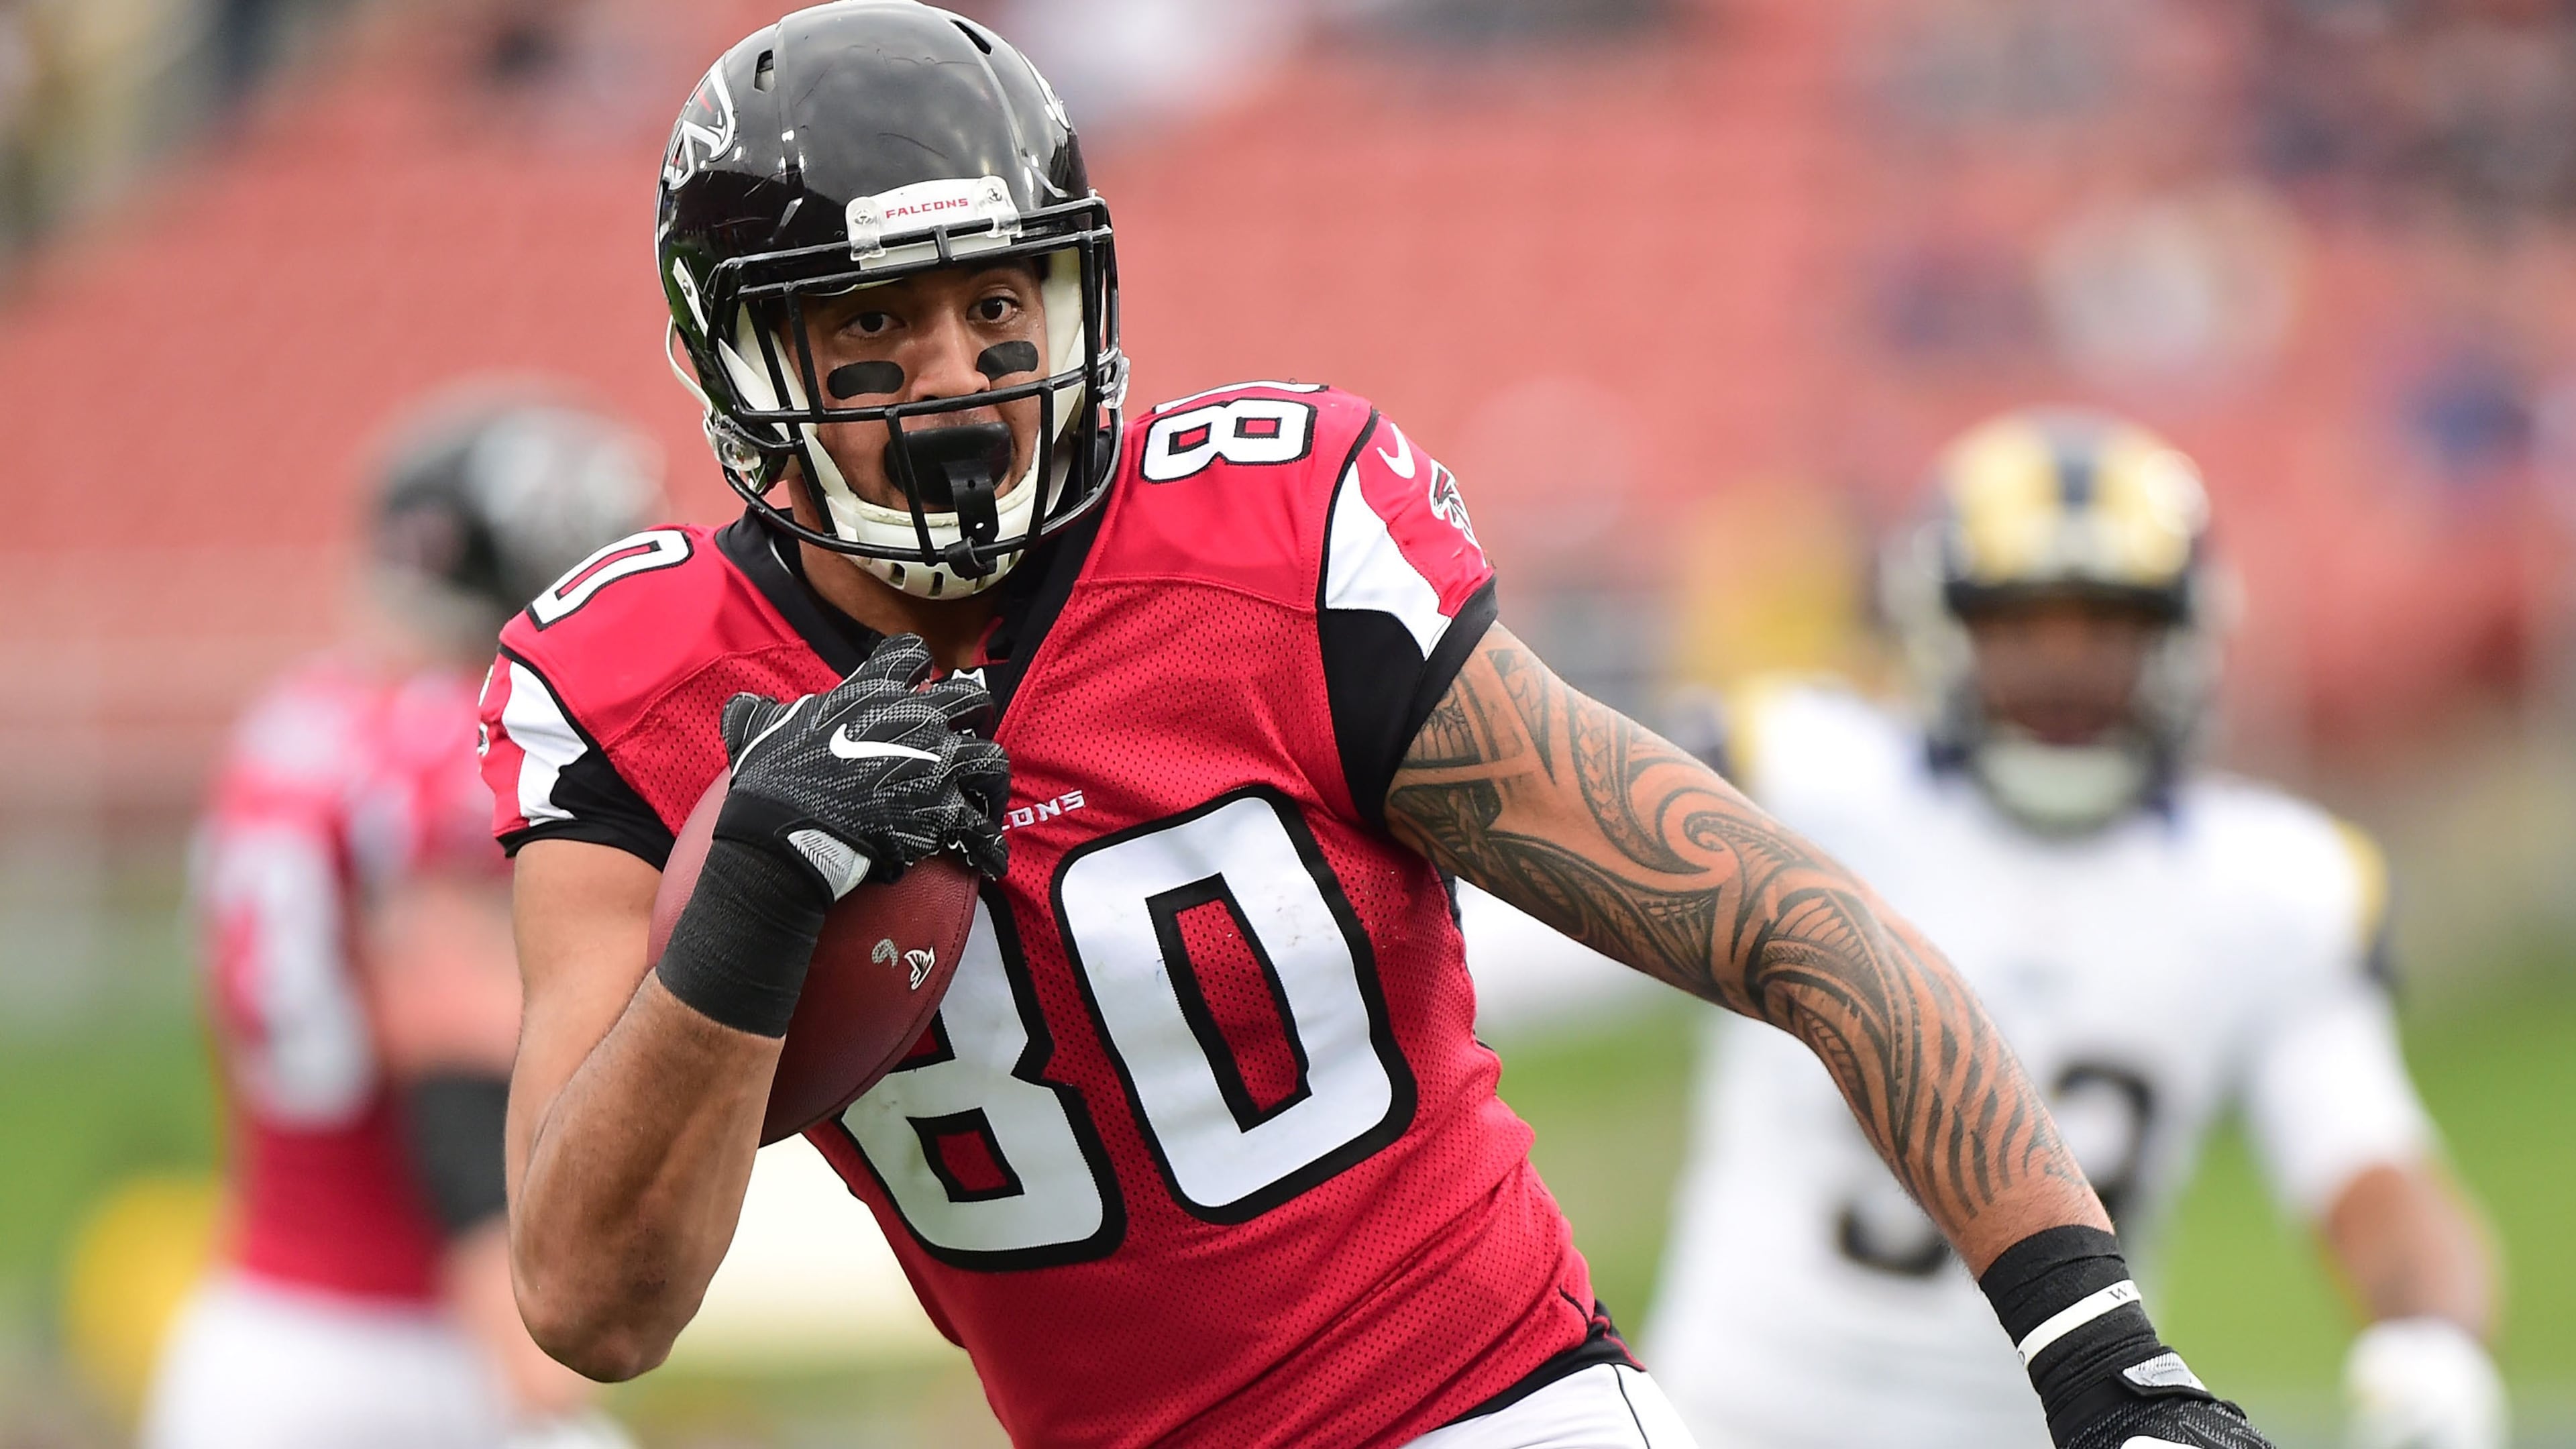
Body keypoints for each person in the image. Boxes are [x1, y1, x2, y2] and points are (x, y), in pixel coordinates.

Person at [477, 7, 2286, 1446]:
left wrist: (2098, 1355)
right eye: (878, 323)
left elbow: (1791, 925)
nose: (962, 378)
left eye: (997, 304)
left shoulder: (1270, 543)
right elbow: (589, 1305)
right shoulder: (631, 690)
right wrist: (752, 893)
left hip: (1491, 1411)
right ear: (742, 359)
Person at [1642, 410, 2506, 1449]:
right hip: (1731, 1423)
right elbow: (1514, 940)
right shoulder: (1806, 779)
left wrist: (2430, 1337)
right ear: (1948, 628)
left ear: (2180, 639)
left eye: (2105, 625)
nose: (2064, 666)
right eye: (2025, 624)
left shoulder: (2265, 887)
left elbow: (2366, 1159)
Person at [147, 389, 659, 1449]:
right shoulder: (447, 745)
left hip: (263, 1328)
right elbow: (452, 1047)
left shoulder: (296, 722)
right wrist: (527, 1347)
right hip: (418, 1356)